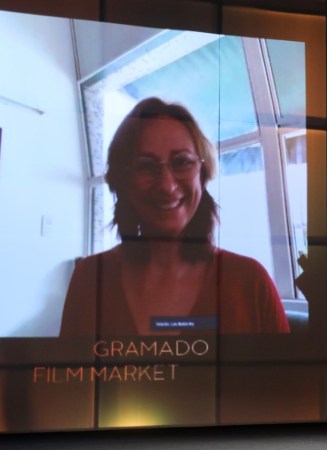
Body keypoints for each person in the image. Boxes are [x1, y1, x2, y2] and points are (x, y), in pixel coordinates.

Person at [60, 97, 290, 336]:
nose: (167, 186)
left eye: (182, 162)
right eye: (146, 166)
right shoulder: (90, 278)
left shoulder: (251, 283)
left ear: (203, 175)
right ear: (124, 182)